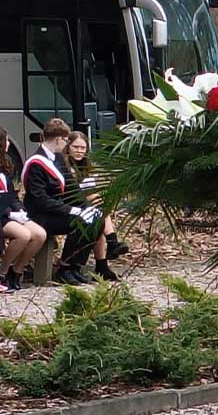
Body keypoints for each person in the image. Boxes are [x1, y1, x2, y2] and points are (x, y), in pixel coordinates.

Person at [22, 119, 104, 286]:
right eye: (66, 140)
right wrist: (72, 210)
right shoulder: (36, 162)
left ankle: (74, 267)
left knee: (96, 220)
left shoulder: (58, 159)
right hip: (41, 215)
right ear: (59, 139)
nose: (66, 144)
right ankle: (65, 268)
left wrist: (87, 208)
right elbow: (40, 200)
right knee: (79, 222)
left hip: (58, 210)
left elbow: (72, 190)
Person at [64, 131, 128, 276]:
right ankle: (112, 242)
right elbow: (73, 192)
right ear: (68, 147)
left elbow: (91, 189)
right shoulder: (65, 166)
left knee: (98, 216)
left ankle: (102, 264)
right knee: (97, 209)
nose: (79, 151)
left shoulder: (88, 166)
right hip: (70, 205)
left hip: (88, 205)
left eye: (83, 148)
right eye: (76, 147)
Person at [0, 128, 45, 292]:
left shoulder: (4, 165)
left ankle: (16, 271)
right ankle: (2, 272)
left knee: (39, 234)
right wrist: (10, 214)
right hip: (2, 215)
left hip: (10, 211)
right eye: (7, 140)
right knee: (23, 235)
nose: (9, 144)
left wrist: (20, 211)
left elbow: (12, 196)